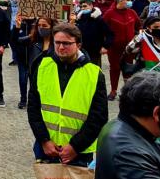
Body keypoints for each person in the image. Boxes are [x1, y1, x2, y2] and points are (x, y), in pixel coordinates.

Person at [28, 23, 108, 167]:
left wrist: (75, 147)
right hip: (47, 148)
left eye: (66, 43)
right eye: (57, 42)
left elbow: (98, 117)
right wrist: (44, 140)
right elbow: (33, 107)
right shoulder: (43, 66)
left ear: (78, 45)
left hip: (79, 153)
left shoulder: (94, 74)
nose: (61, 47)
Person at [102, 0, 141, 100]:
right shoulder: (109, 14)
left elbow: (139, 26)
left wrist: (137, 38)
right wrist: (105, 44)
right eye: (128, 0)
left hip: (129, 48)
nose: (130, 2)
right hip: (114, 48)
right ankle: (113, 90)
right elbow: (102, 29)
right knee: (115, 68)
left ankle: (127, 91)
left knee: (128, 69)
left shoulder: (132, 13)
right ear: (120, 1)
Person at [74, 0, 113, 68]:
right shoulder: (80, 19)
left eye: (85, 6)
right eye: (81, 7)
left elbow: (109, 34)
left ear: (91, 6)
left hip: (95, 51)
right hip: (81, 50)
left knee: (94, 71)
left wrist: (105, 46)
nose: (83, 8)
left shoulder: (99, 19)